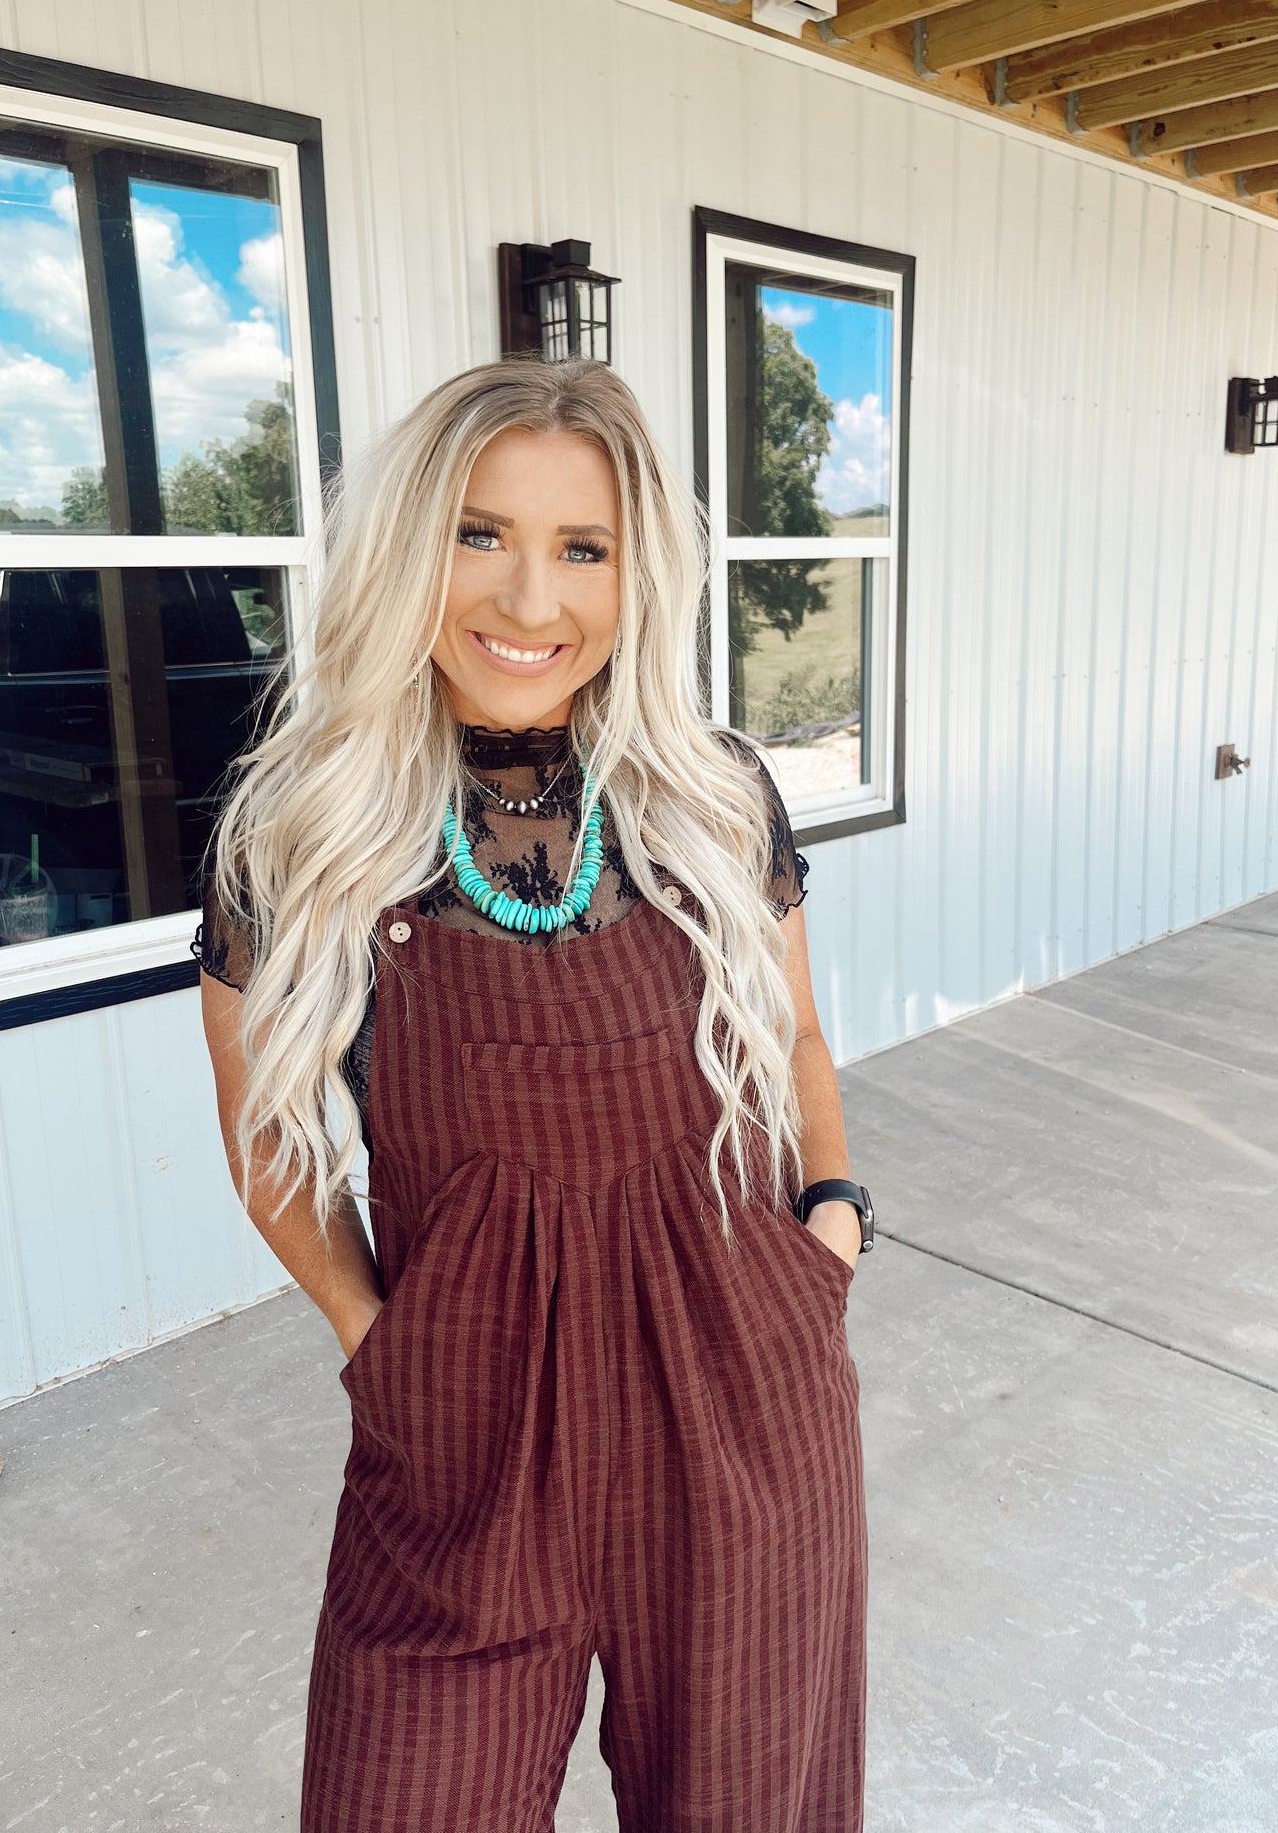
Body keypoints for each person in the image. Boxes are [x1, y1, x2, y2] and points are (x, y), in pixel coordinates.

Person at [193, 355, 872, 1832]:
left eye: (583, 548)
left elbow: (797, 1043)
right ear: (406, 546)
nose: (528, 598)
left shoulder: (712, 795)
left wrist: (830, 1224)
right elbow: (268, 1140)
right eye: (479, 533)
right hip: (466, 1441)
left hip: (742, 1408)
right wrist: (379, 1340)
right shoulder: (304, 830)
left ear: (639, 579)